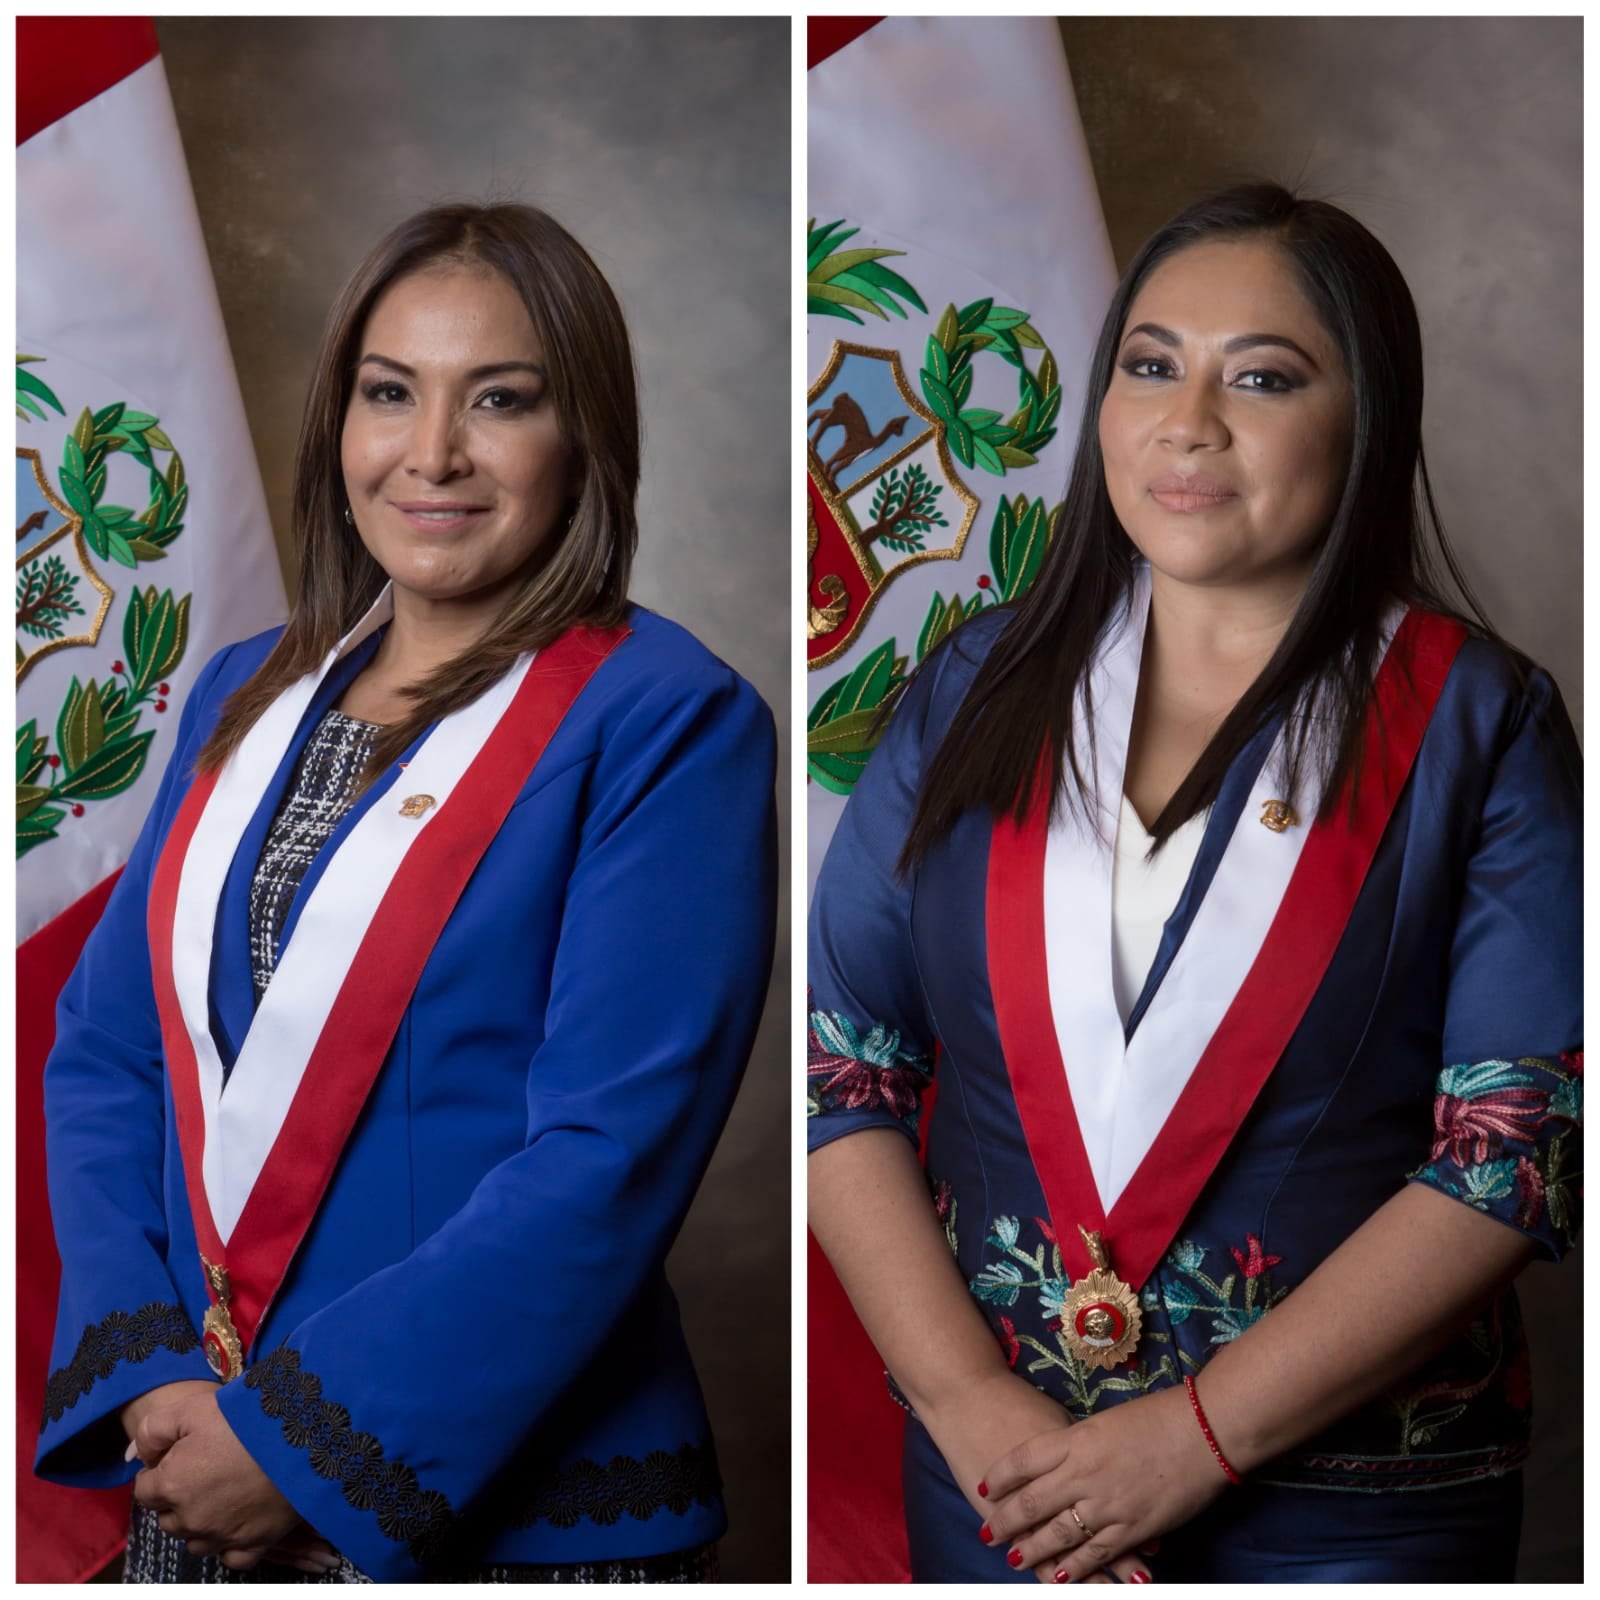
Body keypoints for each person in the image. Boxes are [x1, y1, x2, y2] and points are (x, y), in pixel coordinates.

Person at [807, 183, 1581, 1584]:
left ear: (1368, 423)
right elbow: (840, 1071)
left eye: (1264, 378)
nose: (1189, 419)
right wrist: (974, 1412)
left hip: (1346, 1504)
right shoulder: (967, 689)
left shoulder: (1484, 721)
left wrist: (1192, 1441)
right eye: (1151, 364)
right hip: (1005, 1489)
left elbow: (1512, 1157)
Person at [36, 202, 778, 1583]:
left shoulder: (671, 720)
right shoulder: (241, 688)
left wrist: (306, 1444)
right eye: (391, 394)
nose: (431, 453)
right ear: (340, 425)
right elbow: (104, 1053)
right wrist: (153, 1372)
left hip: (493, 1496)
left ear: (585, 438)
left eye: (499, 400)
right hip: (192, 1458)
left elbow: (605, 1157)